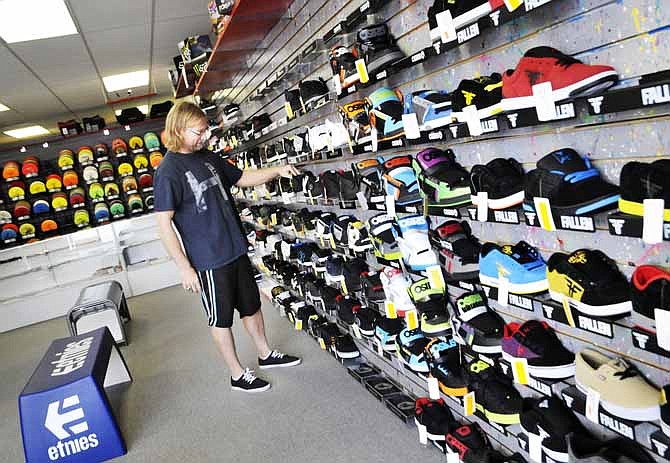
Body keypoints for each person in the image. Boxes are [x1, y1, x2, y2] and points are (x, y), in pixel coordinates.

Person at [154, 101, 301, 392]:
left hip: (235, 248)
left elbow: (243, 179)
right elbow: (163, 225)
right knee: (221, 319)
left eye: (206, 131)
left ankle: (265, 354)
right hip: (209, 260)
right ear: (179, 130)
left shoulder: (207, 157)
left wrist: (277, 170)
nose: (204, 137)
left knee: (251, 306)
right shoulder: (168, 171)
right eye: (199, 132)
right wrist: (185, 268)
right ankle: (236, 374)